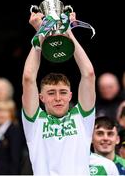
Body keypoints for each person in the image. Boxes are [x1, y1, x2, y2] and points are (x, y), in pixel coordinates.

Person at [21, 11, 96, 175]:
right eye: (51, 93)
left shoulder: (82, 118)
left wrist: (67, 31)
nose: (58, 98)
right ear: (41, 98)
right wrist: (40, 32)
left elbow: (89, 74)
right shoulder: (35, 122)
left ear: (70, 96)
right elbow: (28, 78)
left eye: (63, 92)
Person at [0, 100, 24, 175]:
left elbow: (15, 160)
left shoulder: (14, 131)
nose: (0, 114)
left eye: (4, 111)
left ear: (11, 113)